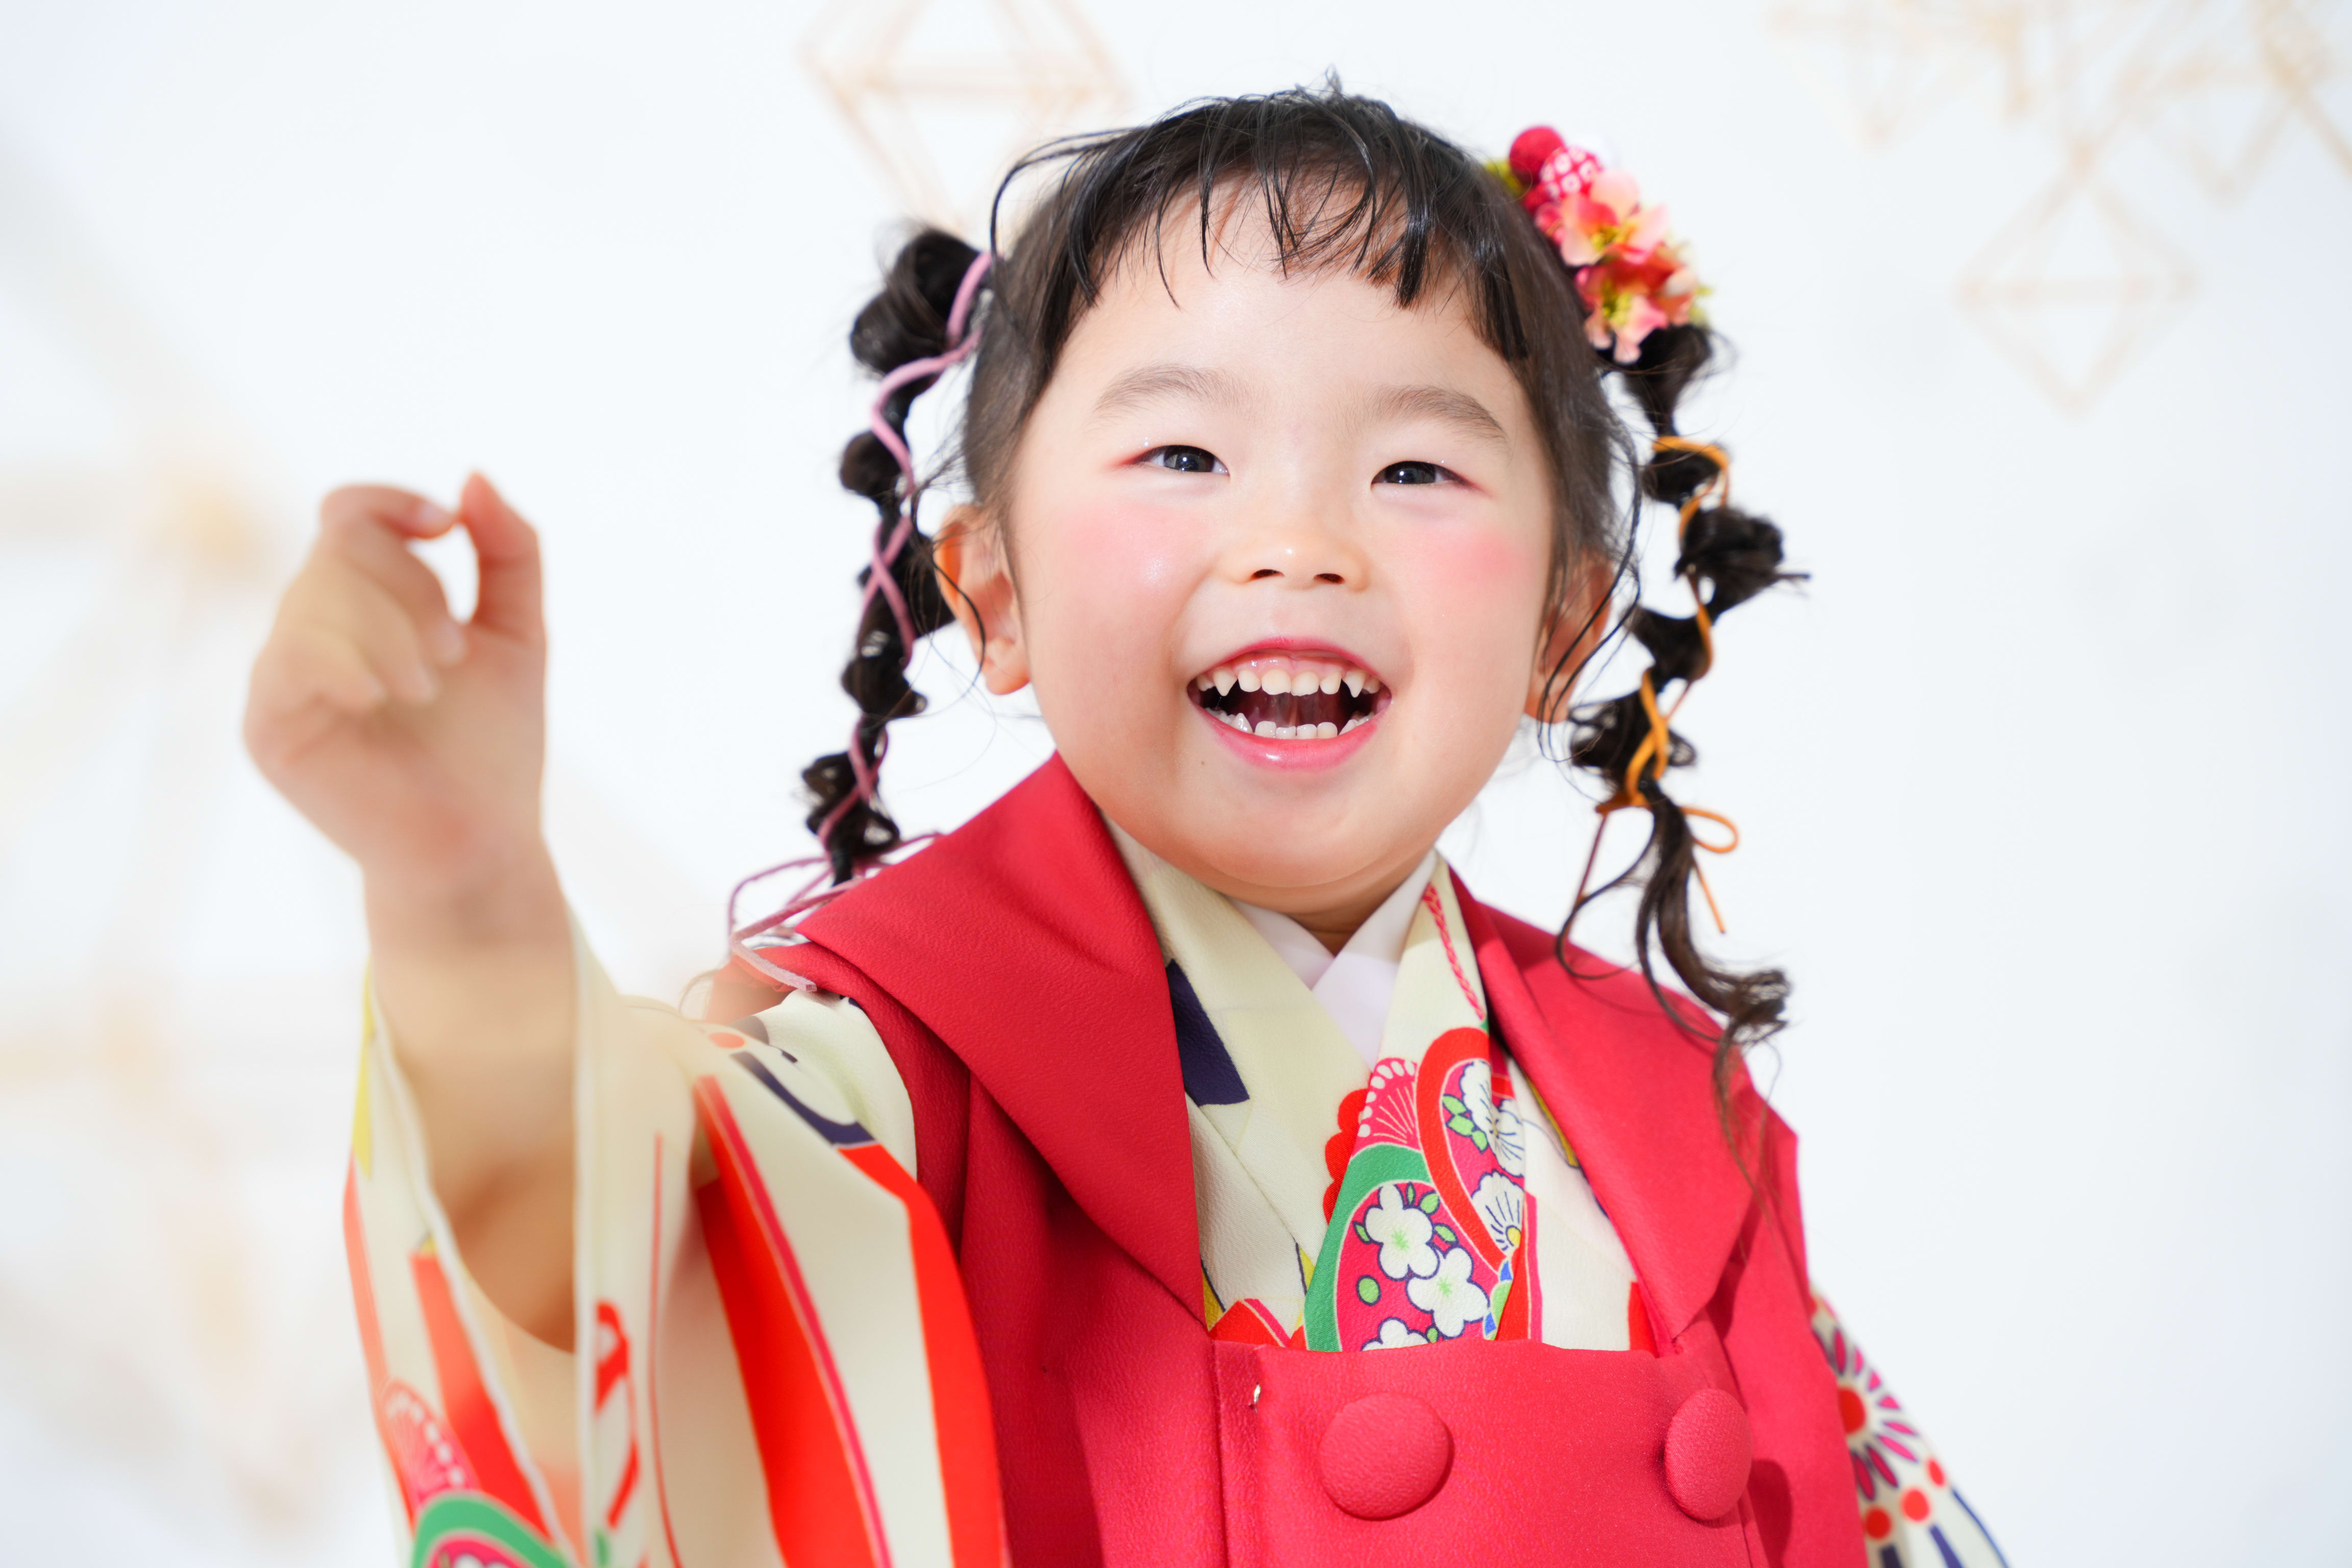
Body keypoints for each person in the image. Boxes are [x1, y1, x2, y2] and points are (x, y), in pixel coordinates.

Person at [246, 86, 2005, 1568]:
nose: (1301, 539)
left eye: (1416, 470)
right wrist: (463, 887)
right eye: (1183, 458)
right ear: (991, 593)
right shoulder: (889, 1062)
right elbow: (579, 1247)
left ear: (1561, 628)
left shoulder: (1674, 1115)